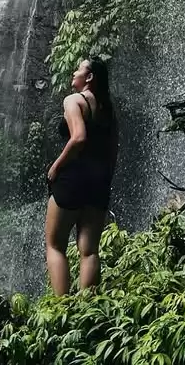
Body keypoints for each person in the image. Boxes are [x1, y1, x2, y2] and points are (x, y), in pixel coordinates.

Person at [45, 57, 119, 295]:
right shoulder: (108, 109)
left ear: (89, 77)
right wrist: (104, 182)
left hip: (73, 179)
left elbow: (78, 138)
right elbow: (113, 152)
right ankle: (87, 309)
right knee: (89, 251)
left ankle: (61, 307)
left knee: (55, 246)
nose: (73, 72)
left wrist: (56, 167)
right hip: (98, 182)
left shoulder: (74, 100)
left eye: (79, 69)